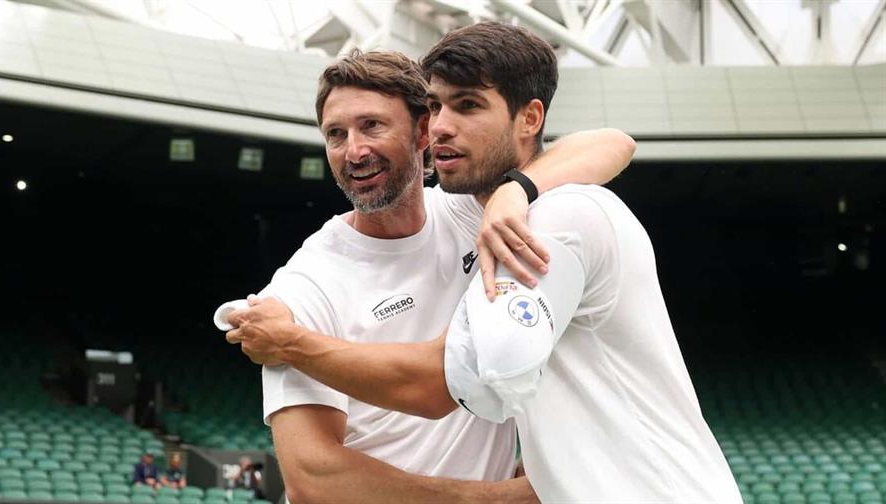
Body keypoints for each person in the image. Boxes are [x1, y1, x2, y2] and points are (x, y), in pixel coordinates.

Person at [226, 22, 744, 503]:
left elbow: (613, 141)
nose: (353, 149)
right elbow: (312, 477)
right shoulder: (303, 286)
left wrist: (513, 194)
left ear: (419, 135)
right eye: (335, 134)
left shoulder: (512, 219)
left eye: (372, 125)